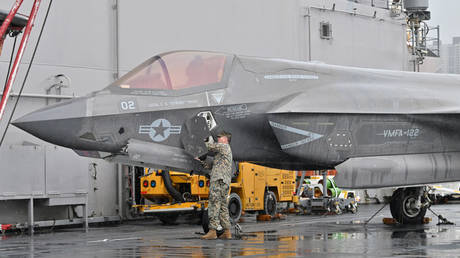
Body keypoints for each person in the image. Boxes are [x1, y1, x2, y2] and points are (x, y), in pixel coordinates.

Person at [200, 131, 233, 240]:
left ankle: (212, 231)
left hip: (218, 179)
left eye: (220, 137)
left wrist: (204, 139)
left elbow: (209, 146)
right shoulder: (222, 153)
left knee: (214, 203)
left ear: (225, 139)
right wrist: (201, 161)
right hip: (224, 181)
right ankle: (227, 232)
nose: (218, 139)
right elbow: (210, 166)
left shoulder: (224, 147)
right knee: (223, 206)